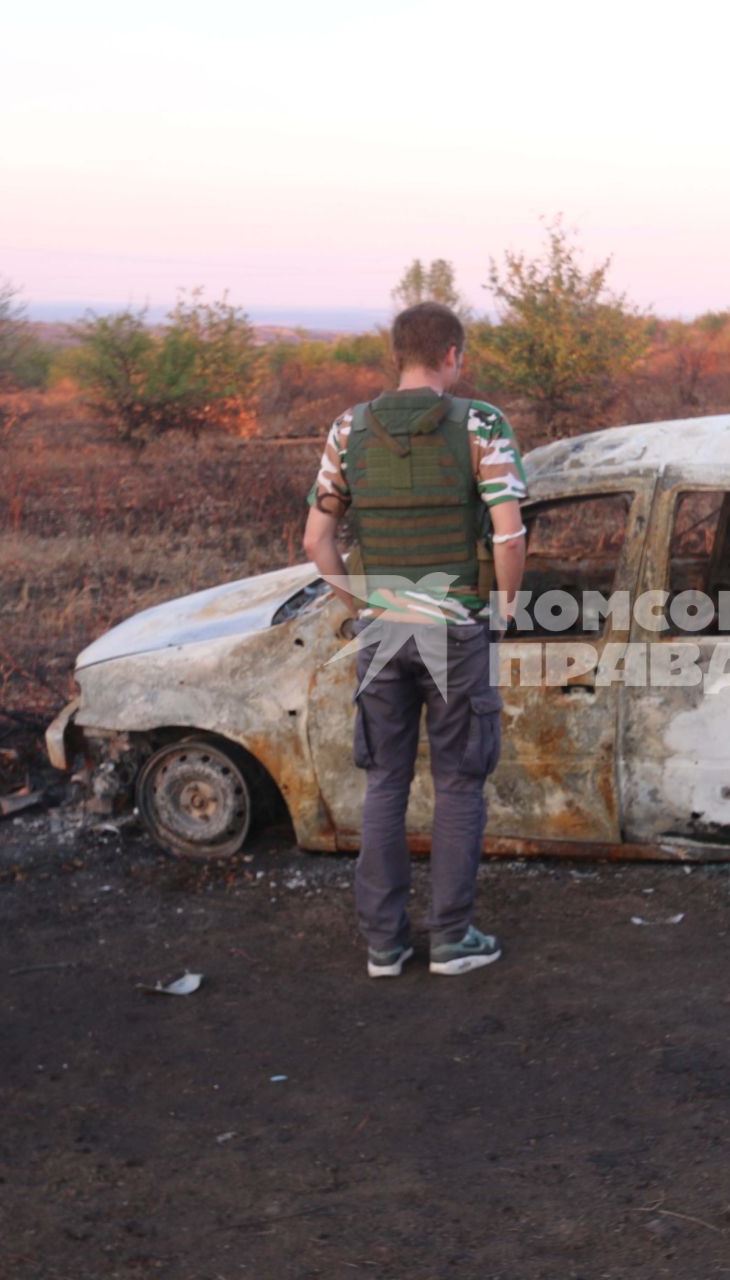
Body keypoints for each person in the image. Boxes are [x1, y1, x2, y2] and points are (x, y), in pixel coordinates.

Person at [301, 302, 527, 977]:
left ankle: (385, 945)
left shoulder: (348, 429)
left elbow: (317, 539)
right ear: (453, 354)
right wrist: (504, 607)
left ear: (397, 355)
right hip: (456, 629)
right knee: (459, 783)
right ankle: (453, 939)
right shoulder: (480, 423)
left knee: (385, 783)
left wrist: (358, 606)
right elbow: (509, 533)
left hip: (383, 633)